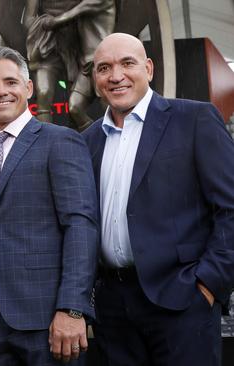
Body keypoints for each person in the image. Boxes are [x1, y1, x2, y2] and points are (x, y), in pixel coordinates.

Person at [82, 32, 234, 366]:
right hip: (113, 308)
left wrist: (208, 283)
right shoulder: (87, 141)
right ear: (95, 79)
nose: (116, 75)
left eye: (127, 63)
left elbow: (230, 208)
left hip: (183, 300)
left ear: (149, 69)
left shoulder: (194, 119)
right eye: (104, 67)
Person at [0, 46, 98, 365]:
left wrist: (72, 307)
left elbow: (81, 226)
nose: (1, 92)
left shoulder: (60, 141)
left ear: (29, 88)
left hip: (48, 320)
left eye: (10, 82)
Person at [24, 0, 115, 130]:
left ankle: (104, 138)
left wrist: (52, 22)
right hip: (48, 46)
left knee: (85, 105)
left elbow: (76, 12)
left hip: (84, 55)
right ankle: (47, 143)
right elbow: (28, 19)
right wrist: (41, 24)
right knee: (44, 93)